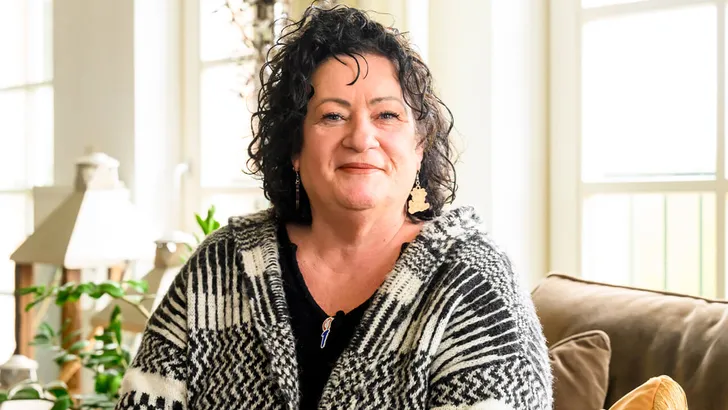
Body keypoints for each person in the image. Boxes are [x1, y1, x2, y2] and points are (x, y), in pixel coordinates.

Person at [116, 4, 552, 410]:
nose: (361, 138)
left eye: (386, 115)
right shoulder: (219, 265)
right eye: (332, 116)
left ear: (419, 146)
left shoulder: (474, 280)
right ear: (295, 147)